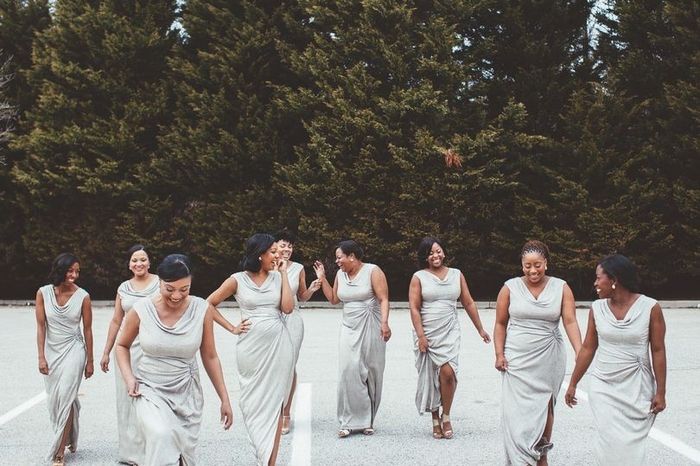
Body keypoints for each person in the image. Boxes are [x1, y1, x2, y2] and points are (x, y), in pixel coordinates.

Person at [116, 254, 233, 466]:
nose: (177, 296)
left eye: (184, 289)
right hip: (150, 388)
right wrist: (129, 377)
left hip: (187, 393)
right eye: (169, 289)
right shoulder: (141, 310)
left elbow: (210, 355)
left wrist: (224, 398)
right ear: (158, 282)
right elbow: (121, 346)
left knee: (181, 454)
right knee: (162, 436)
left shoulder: (202, 309)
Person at [565, 254, 666, 465]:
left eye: (598, 277)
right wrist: (573, 383)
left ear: (614, 280)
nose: (595, 283)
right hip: (604, 386)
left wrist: (661, 392)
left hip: (637, 386)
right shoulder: (597, 309)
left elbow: (658, 350)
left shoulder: (650, 308)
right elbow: (588, 348)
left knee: (630, 445)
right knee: (608, 440)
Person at [206, 233, 294, 466]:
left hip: (278, 346)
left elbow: (287, 308)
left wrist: (284, 274)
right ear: (259, 254)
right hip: (250, 349)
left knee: (275, 403)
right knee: (251, 403)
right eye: (273, 251)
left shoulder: (278, 278)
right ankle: (261, 452)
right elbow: (209, 304)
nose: (278, 255)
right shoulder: (237, 279)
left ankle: (269, 462)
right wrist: (231, 327)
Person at [493, 240, 581, 466]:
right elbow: (500, 323)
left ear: (546, 264)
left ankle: (541, 455)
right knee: (515, 411)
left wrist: (580, 350)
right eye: (527, 266)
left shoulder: (561, 287)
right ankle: (518, 457)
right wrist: (499, 354)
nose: (533, 270)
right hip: (517, 359)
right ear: (521, 265)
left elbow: (570, 321)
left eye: (537, 265)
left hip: (549, 356)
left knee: (545, 405)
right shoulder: (509, 287)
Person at [408, 237, 491, 439]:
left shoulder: (457, 274)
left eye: (438, 251)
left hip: (450, 330)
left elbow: (468, 302)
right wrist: (421, 336)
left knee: (447, 373)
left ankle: (446, 415)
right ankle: (435, 417)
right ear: (425, 257)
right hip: (428, 331)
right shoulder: (419, 277)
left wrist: (480, 329)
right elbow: (414, 308)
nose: (435, 255)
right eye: (430, 253)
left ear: (444, 253)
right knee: (431, 375)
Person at [314, 240, 392, 437]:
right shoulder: (340, 274)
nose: (337, 261)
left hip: (372, 326)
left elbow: (383, 298)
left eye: (339, 257)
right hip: (349, 327)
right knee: (348, 370)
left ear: (352, 256)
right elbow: (333, 299)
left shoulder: (373, 271)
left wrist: (384, 323)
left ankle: (367, 421)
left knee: (371, 372)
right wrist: (322, 279)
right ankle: (348, 421)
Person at [99, 245, 159, 465]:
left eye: (143, 260)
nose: (139, 264)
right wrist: (106, 351)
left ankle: (154, 448)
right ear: (129, 264)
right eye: (134, 260)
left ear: (149, 263)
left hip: (152, 347)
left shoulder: (160, 284)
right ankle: (132, 453)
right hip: (125, 349)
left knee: (151, 397)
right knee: (127, 398)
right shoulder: (123, 287)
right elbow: (116, 320)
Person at [35, 253, 94, 466]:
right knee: (55, 401)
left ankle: (59, 451)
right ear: (60, 270)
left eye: (77, 271)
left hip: (74, 349)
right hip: (52, 351)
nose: (74, 275)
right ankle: (69, 437)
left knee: (67, 398)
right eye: (70, 271)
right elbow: (41, 327)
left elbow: (87, 330)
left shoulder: (83, 296)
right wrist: (41, 356)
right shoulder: (43, 293)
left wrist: (90, 360)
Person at [274, 230, 321, 435]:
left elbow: (301, 296)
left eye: (290, 246)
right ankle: (271, 410)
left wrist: (312, 288)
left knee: (289, 364)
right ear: (273, 246)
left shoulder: (299, 268)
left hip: (292, 319)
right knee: (272, 365)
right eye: (283, 245)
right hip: (271, 319)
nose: (287, 249)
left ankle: (285, 412)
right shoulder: (265, 266)